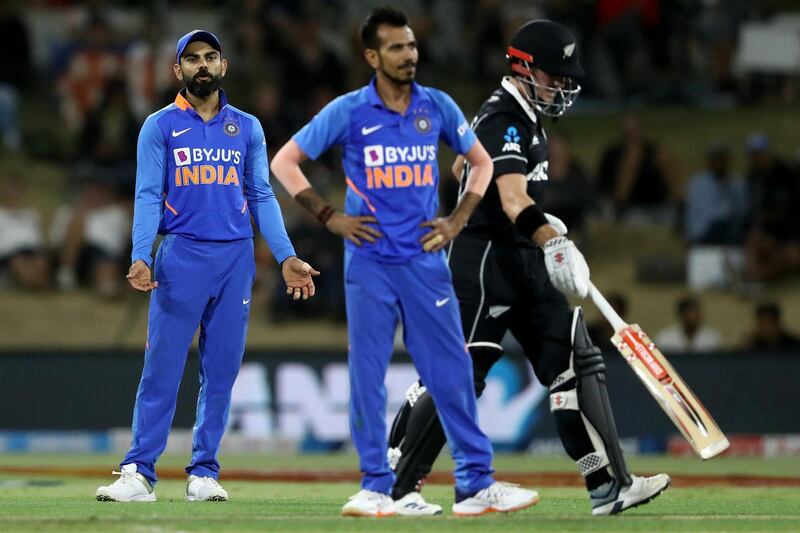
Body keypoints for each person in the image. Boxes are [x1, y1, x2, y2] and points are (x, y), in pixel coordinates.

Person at [385, 20, 670, 516]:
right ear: (522, 67)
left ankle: (608, 485)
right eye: (554, 75)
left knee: (574, 362)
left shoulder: (519, 117)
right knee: (460, 375)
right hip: (485, 262)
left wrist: (534, 225)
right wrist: (552, 240)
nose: (562, 85)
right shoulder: (505, 119)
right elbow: (514, 198)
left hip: (521, 258)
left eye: (566, 77)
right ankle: (399, 488)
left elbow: (462, 168)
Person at [271, 7, 538, 518]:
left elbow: (481, 163)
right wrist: (328, 215)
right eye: (396, 47)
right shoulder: (349, 111)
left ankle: (475, 485)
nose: (408, 54)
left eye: (411, 45)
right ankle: (377, 486)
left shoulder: (436, 106)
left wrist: (457, 219)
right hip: (369, 262)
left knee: (453, 369)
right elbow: (285, 161)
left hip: (424, 262)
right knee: (367, 373)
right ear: (372, 56)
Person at [95, 30, 318, 503]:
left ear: (223, 66)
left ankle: (203, 473)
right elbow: (149, 194)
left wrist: (286, 255)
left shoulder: (248, 127)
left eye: (210, 57)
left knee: (221, 372)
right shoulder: (158, 127)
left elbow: (260, 194)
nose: (202, 65)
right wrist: (140, 252)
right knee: (162, 368)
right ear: (178, 70)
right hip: (181, 256)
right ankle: (138, 472)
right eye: (192, 58)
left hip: (235, 259)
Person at [684, 142, 748, 245]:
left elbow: (742, 211)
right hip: (704, 232)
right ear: (710, 161)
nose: (719, 162)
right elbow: (698, 215)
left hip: (731, 231)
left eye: (722, 159)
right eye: (716, 159)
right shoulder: (699, 184)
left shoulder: (736, 183)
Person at [654, 296, 721, 353]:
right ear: (681, 315)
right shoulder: (665, 338)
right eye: (689, 313)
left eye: (696, 312)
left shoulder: (712, 338)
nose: (694, 316)